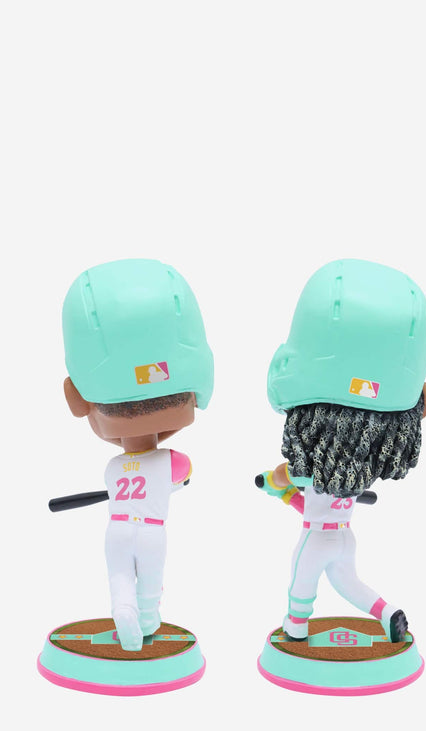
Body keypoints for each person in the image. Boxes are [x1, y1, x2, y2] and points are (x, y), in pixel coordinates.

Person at [259, 258, 426, 643]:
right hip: (343, 536)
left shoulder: (314, 466)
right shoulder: (358, 468)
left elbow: (287, 477)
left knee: (301, 582)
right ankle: (388, 613)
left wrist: (273, 482)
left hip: (316, 538)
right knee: (348, 582)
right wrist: (285, 497)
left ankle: (296, 628)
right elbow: (310, 501)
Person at [62, 258, 214, 651]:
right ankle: (146, 620)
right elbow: (183, 472)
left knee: (119, 578)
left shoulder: (113, 468)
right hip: (151, 530)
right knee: (150, 580)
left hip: (117, 528)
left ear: (77, 399)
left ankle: (124, 610)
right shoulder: (171, 460)